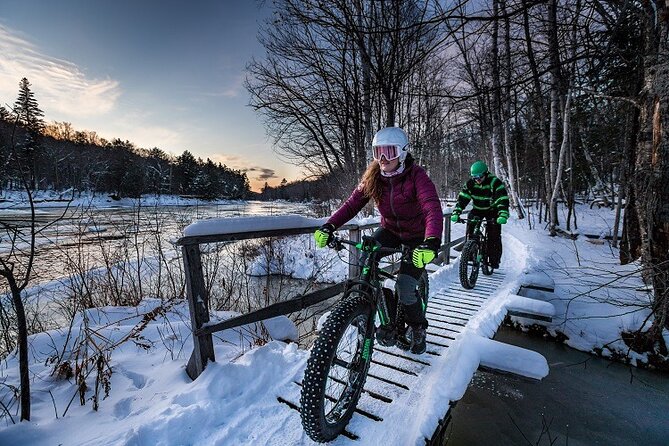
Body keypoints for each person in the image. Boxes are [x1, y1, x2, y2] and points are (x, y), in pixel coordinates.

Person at [313, 126, 443, 355]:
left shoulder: (417, 176)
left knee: (404, 284)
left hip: (417, 236)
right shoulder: (373, 176)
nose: (382, 159)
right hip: (390, 230)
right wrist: (329, 226)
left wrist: (431, 242)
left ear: (402, 153)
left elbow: (431, 208)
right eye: (378, 152)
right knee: (366, 256)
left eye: (389, 152)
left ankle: (418, 328)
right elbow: (352, 204)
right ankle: (372, 307)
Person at [450, 160, 509, 269]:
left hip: (492, 210)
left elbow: (502, 199)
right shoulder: (470, 184)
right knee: (471, 231)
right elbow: (463, 199)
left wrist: (503, 214)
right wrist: (456, 212)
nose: (477, 180)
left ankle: (494, 259)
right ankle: (470, 252)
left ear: (486, 174)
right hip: (477, 209)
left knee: (493, 235)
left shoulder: (494, 182)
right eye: (474, 177)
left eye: (479, 177)